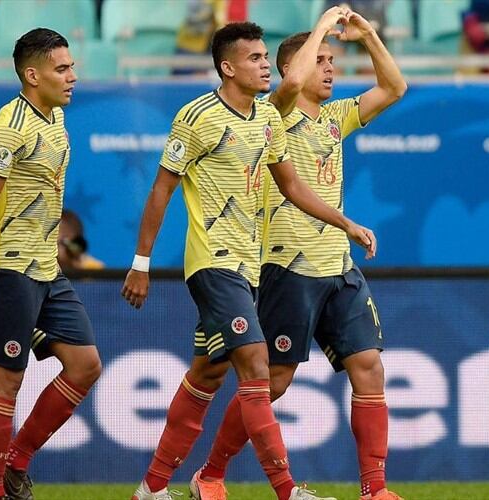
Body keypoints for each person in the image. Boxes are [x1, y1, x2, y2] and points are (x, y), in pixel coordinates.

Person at [121, 21, 377, 500]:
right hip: (212, 262)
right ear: (227, 67)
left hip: (250, 265)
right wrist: (141, 261)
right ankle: (286, 490)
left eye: (265, 57)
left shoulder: (266, 120)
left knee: (207, 374)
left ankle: (152, 487)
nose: (264, 66)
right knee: (257, 365)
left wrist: (345, 223)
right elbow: (161, 188)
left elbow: (293, 186)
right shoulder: (196, 116)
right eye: (256, 59)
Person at [193, 6, 406, 500]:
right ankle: (212, 472)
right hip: (290, 267)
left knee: (369, 366)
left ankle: (375, 489)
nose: (331, 68)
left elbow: (394, 88)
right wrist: (321, 27)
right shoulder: (274, 117)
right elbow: (286, 88)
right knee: (275, 382)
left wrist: (369, 34)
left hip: (340, 267)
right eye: (322, 60)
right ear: (296, 69)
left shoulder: (336, 117)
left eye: (334, 60)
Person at [0, 28, 102, 500]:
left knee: (84, 366)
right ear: (32, 74)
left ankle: (16, 463)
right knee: (5, 383)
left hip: (47, 269)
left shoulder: (56, 117)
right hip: (11, 269)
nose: (72, 76)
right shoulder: (10, 126)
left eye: (72, 66)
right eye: (62, 69)